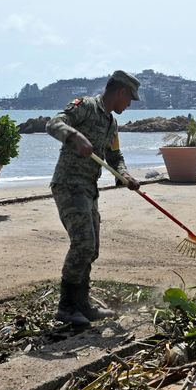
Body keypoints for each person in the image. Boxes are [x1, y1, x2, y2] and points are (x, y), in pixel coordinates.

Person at [46, 70, 142, 327]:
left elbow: (115, 157)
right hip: (68, 184)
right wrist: (75, 136)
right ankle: (66, 307)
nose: (129, 105)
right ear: (120, 92)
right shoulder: (86, 107)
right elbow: (53, 123)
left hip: (88, 189)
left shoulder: (112, 124)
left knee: (93, 248)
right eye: (129, 99)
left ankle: (83, 304)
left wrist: (125, 176)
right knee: (83, 243)